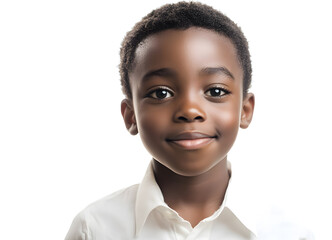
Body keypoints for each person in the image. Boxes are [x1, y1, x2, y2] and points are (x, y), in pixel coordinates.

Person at [65, 2, 313, 239]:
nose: (190, 110)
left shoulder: (288, 233)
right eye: (161, 93)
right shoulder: (94, 229)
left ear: (245, 110)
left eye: (215, 91)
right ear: (130, 115)